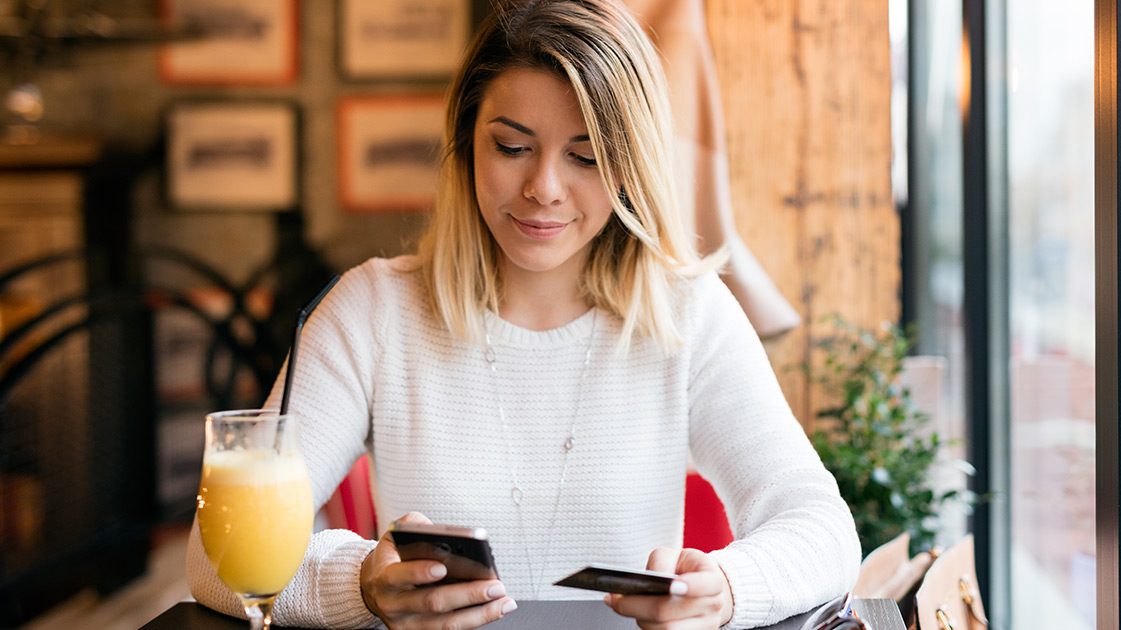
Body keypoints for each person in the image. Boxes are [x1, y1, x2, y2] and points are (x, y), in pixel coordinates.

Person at [186, 0, 861, 628]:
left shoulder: (688, 314)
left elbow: (822, 528)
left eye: (587, 156)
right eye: (511, 147)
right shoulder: (370, 311)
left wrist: (727, 589)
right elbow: (215, 559)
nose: (543, 188)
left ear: (633, 166)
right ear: (466, 146)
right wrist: (359, 582)